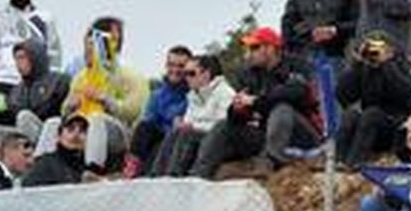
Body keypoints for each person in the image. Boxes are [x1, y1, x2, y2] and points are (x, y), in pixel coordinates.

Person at [193, 27, 320, 178]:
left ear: (271, 48)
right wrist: (238, 109)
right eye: (249, 48)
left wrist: (256, 101)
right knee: (224, 126)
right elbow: (237, 116)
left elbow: (296, 92)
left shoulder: (297, 65)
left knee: (281, 108)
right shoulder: (249, 74)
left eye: (255, 47)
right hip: (267, 134)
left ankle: (270, 161)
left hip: (302, 134)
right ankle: (199, 175)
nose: (250, 53)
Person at [62, 21, 149, 174]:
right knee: (52, 123)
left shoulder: (130, 75)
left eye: (92, 45)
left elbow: (134, 112)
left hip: (118, 134)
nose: (87, 50)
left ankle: (92, 170)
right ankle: (41, 167)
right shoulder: (79, 78)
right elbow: (64, 113)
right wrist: (70, 106)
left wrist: (105, 99)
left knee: (97, 119)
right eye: (86, 45)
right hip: (81, 127)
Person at [0, 0, 62, 121]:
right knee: (2, 131)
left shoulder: (45, 18)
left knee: (30, 129)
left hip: (35, 85)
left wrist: (51, 83)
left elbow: (54, 52)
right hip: (5, 83)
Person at [335, 32, 411, 167]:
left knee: (371, 114)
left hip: (397, 127)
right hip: (370, 126)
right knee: (351, 115)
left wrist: (387, 65)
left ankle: (355, 164)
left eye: (378, 47)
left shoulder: (403, 65)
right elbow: (343, 96)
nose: (374, 51)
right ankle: (339, 161)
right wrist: (356, 64)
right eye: (370, 46)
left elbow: (407, 96)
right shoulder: (365, 67)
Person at [151, 54, 236, 177]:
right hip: (198, 135)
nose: (187, 78)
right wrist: (183, 124)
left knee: (187, 134)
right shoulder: (193, 95)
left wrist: (193, 126)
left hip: (218, 141)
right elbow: (189, 121)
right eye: (185, 74)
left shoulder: (224, 93)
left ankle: (174, 175)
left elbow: (224, 126)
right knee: (175, 132)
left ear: (206, 74)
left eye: (191, 73)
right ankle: (156, 174)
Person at [126, 46, 195, 178]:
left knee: (160, 149)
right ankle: (132, 164)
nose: (175, 70)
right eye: (171, 65)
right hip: (158, 135)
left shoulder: (193, 93)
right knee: (144, 127)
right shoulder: (157, 95)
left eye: (180, 66)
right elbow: (149, 120)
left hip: (178, 140)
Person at [1, 39, 71, 127]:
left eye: (22, 58)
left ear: (35, 56)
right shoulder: (17, 91)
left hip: (54, 130)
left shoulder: (59, 81)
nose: (18, 63)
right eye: (16, 59)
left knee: (25, 117)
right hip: (24, 134)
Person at [22, 111, 88, 187]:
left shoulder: (89, 168)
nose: (76, 134)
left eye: (82, 131)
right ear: (59, 136)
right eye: (70, 129)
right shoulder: (45, 163)